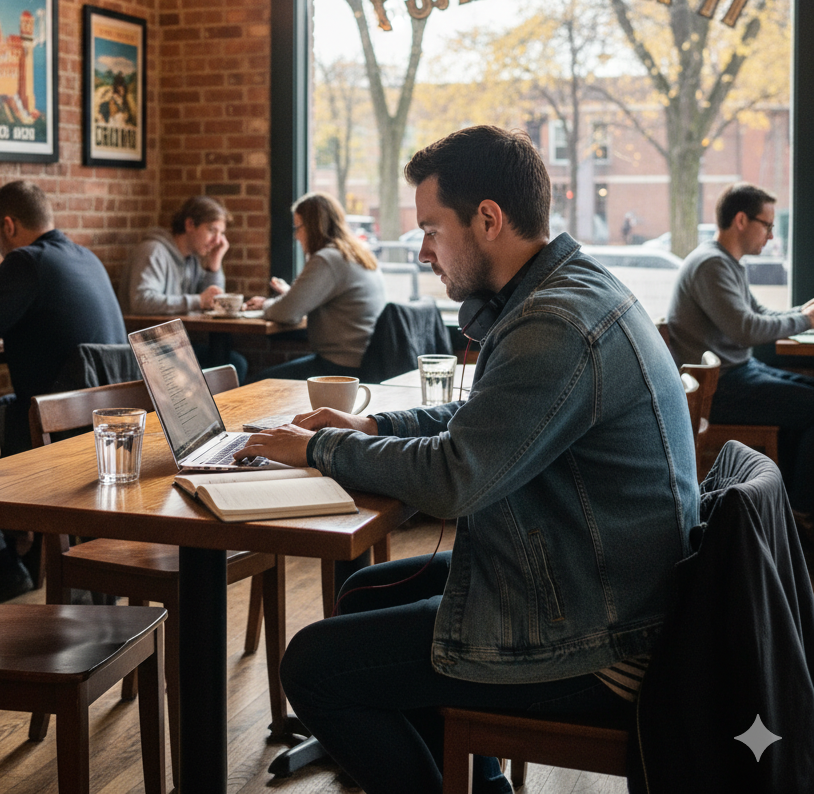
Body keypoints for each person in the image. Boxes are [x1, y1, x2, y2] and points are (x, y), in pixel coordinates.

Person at [238, 125, 699, 794]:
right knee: (365, 591)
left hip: (603, 638)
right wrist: (369, 423)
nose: (424, 252)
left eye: (431, 229)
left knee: (313, 666)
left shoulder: (554, 325)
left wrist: (317, 447)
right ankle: (480, 785)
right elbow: (486, 423)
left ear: (488, 220)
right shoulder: (564, 292)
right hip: (597, 583)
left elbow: (455, 479)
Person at [0, 180, 128, 615]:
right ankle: (9, 551)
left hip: (56, 430)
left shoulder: (25, 262)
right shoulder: (85, 257)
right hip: (96, 428)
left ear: (9, 224)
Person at [665, 181, 814, 522]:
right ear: (742, 221)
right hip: (720, 389)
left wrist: (802, 313)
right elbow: (746, 329)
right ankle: (802, 513)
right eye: (768, 226)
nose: (771, 236)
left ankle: (791, 502)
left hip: (735, 375)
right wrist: (804, 320)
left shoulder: (725, 263)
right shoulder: (711, 266)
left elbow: (759, 313)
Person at [245, 192, 386, 380]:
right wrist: (291, 295)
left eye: (298, 227)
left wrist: (264, 305)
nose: (296, 235)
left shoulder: (327, 259)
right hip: (365, 362)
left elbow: (286, 312)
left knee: (254, 385)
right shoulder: (357, 254)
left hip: (341, 368)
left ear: (313, 227)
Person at [119, 195, 247, 380]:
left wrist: (214, 264)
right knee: (223, 370)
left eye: (221, 234)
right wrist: (198, 300)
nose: (217, 241)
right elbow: (141, 301)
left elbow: (212, 300)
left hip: (173, 346)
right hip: (147, 350)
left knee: (234, 365)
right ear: (189, 224)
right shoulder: (153, 251)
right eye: (212, 230)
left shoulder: (192, 260)